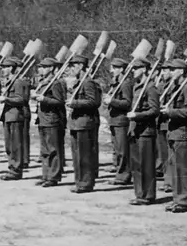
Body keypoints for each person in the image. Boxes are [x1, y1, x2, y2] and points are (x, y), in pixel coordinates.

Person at [161, 58, 187, 212]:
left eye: (173, 69)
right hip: (174, 132)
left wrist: (171, 112)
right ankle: (178, 199)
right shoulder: (175, 86)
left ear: (181, 71)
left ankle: (185, 201)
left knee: (184, 168)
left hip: (183, 133)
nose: (170, 72)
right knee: (175, 169)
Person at [126, 58, 160, 205]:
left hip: (146, 131)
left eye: (136, 68)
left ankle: (148, 195)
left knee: (146, 165)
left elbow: (154, 110)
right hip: (135, 130)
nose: (133, 70)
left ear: (144, 69)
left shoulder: (150, 87)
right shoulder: (137, 87)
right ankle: (140, 194)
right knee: (137, 165)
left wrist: (137, 115)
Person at [67, 54, 102, 193]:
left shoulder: (88, 82)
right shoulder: (79, 82)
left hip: (85, 122)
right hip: (76, 122)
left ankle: (86, 183)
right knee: (77, 155)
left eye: (73, 66)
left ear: (81, 66)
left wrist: (74, 103)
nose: (71, 69)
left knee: (85, 155)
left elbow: (93, 102)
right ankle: (80, 181)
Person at [33, 57, 66, 187]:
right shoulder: (43, 81)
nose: (41, 69)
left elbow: (59, 102)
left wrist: (44, 99)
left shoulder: (56, 83)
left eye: (44, 67)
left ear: (51, 68)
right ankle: (46, 175)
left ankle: (54, 176)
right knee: (45, 150)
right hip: (43, 119)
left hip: (52, 119)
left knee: (53, 149)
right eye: (40, 67)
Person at [0, 56, 31, 180]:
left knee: (15, 144)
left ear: (11, 68)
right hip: (9, 116)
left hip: (16, 116)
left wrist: (6, 99)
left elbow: (21, 99)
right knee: (9, 145)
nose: (3, 70)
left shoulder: (18, 82)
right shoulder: (9, 81)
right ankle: (12, 167)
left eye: (5, 67)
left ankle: (16, 170)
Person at [105, 57, 134, 186]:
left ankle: (124, 176)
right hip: (114, 120)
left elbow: (128, 103)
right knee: (117, 149)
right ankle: (120, 173)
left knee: (122, 150)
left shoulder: (125, 83)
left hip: (121, 120)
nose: (112, 70)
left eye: (115, 68)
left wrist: (112, 101)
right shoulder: (115, 83)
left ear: (122, 69)